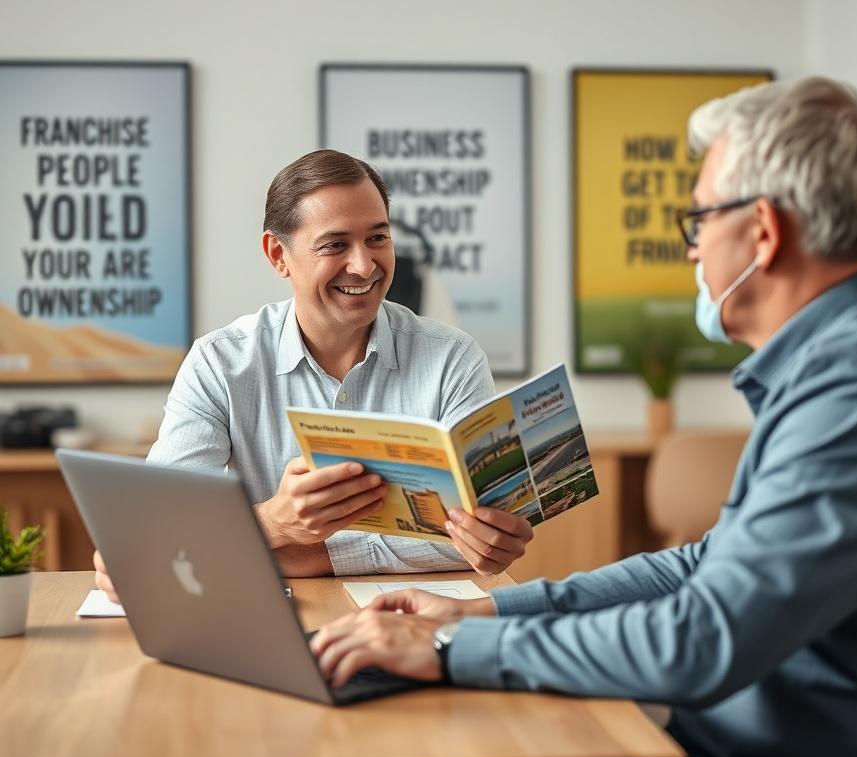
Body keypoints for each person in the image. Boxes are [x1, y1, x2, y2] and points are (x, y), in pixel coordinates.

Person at [308, 78, 857, 757]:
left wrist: (442, 653)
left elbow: (699, 644)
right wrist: (481, 616)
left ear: (764, 232)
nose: (693, 248)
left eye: (701, 220)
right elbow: (708, 567)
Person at [94, 150, 533, 602]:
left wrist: (300, 553)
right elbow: (160, 534)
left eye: (378, 237)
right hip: (266, 626)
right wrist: (274, 522)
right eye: (335, 245)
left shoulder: (452, 360)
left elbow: (471, 545)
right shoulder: (219, 363)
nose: (364, 266)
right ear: (278, 255)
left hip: (417, 624)